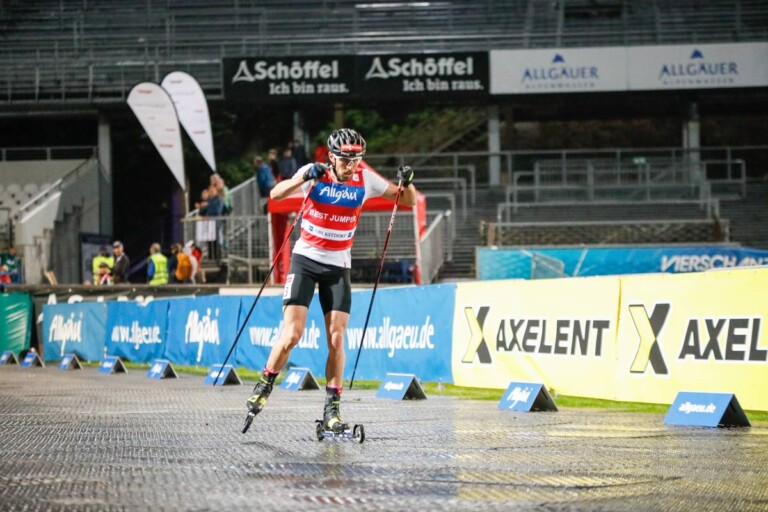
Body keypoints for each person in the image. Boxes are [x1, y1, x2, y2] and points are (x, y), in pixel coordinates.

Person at [244, 128, 417, 434]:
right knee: (292, 334)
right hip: (306, 260)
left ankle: (331, 410)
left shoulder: (366, 179)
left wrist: (409, 182)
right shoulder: (316, 174)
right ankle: (265, 383)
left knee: (337, 339)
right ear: (332, 157)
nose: (352, 166)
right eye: (346, 160)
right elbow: (274, 194)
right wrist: (302, 177)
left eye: (357, 159)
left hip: (338, 266)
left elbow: (408, 200)